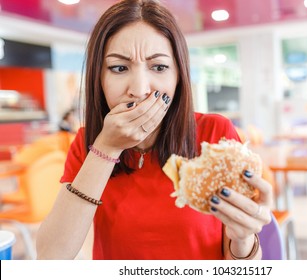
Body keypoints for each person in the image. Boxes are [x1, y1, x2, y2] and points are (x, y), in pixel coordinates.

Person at [36, 0, 273, 260]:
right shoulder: (87, 144)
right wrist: (107, 147)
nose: (139, 89)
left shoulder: (214, 133)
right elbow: (51, 258)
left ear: (179, 76)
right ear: (98, 79)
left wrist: (243, 238)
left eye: (158, 67)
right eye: (119, 67)